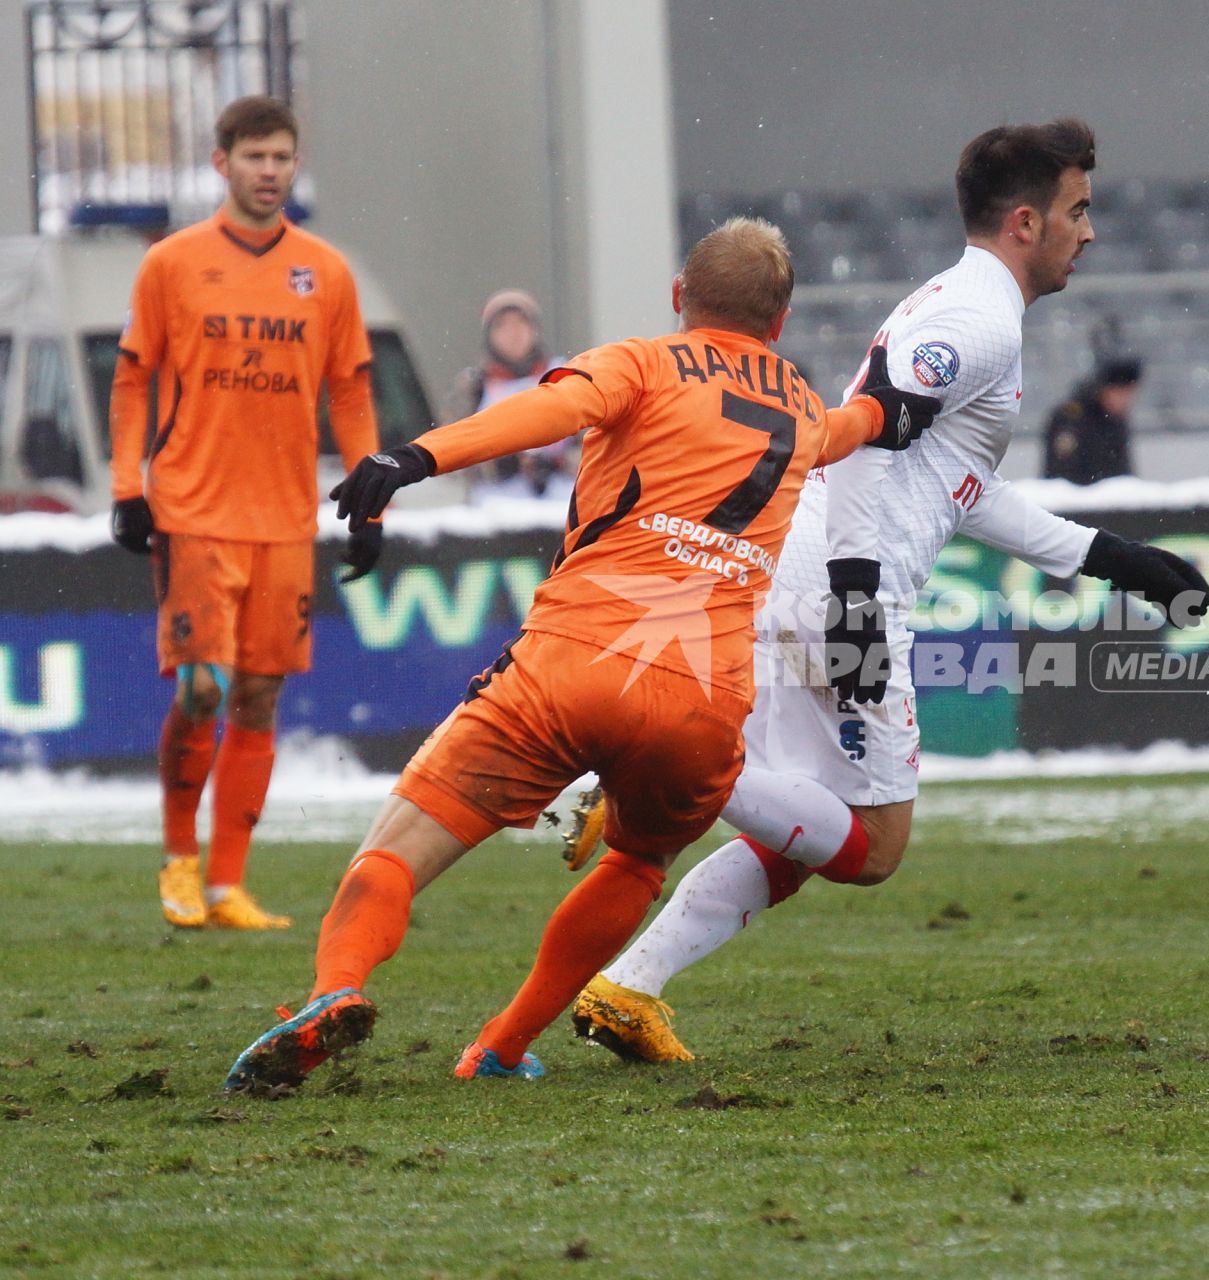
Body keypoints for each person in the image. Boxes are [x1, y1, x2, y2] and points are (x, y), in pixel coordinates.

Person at [222, 218, 942, 1090]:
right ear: (781, 324)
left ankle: (334, 991)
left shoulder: (642, 361)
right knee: (638, 861)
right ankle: (503, 1043)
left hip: (575, 661)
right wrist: (889, 410)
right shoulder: (797, 404)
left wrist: (415, 456)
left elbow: (548, 412)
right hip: (705, 702)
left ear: (680, 298)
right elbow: (848, 425)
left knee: (399, 847)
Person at [559, 119, 1209, 1067]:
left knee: (806, 835)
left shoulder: (968, 307)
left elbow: (953, 481)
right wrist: (860, 599)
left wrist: (1121, 562)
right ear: (1026, 221)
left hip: (813, 576)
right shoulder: (974, 321)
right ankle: (673, 766)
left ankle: (629, 987)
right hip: (842, 587)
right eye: (1079, 210)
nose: (1091, 230)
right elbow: (868, 435)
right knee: (872, 847)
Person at [107, 96, 382, 932]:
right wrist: (128, 487)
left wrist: (369, 504)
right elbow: (131, 377)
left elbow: (351, 388)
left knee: (257, 700)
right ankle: (178, 862)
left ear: (296, 166)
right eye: (255, 157)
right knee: (200, 690)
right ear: (221, 163)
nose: (269, 172)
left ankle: (228, 886)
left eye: (282, 158)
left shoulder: (326, 272)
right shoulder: (172, 263)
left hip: (286, 518)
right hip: (193, 507)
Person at [449, 289, 574, 500]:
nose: (513, 333)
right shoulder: (473, 387)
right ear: (490, 335)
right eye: (502, 325)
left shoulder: (563, 377)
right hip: (496, 512)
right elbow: (451, 453)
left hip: (562, 505)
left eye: (520, 323)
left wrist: (558, 464)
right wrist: (498, 466)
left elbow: (596, 443)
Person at [1043, 355, 1141, 484]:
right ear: (1104, 389)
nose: (1125, 401)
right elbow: (1060, 472)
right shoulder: (1071, 418)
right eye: (1120, 393)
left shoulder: (1115, 419)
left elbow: (1122, 472)